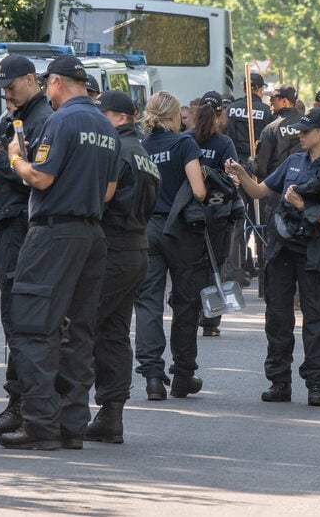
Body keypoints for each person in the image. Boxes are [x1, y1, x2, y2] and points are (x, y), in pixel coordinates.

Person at [0, 55, 117, 451]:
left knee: (34, 328)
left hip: (53, 235)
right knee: (78, 333)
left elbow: (41, 177)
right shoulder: (106, 126)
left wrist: (14, 157)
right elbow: (109, 191)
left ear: (58, 83)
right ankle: (72, 425)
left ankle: (40, 425)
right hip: (92, 235)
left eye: (48, 85)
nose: (47, 92)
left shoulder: (60, 121)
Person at [225, 107, 320, 406]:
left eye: (306, 132)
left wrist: (304, 206)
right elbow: (258, 192)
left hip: (314, 252)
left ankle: (316, 385)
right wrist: (241, 173)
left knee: (315, 319)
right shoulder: (293, 161)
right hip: (281, 249)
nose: (300, 136)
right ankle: (279, 381)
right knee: (278, 316)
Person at [0, 55, 53, 437]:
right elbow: (9, 174)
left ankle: (22, 404)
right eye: (2, 89)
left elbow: (34, 176)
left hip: (24, 225)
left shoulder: (42, 118)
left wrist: (1, 161)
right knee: (14, 318)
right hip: (8, 220)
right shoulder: (15, 118)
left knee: (22, 318)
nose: (6, 94)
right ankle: (20, 402)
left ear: (29, 79)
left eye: (11, 86)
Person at [85, 90, 160, 444]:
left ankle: (66, 411)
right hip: (136, 247)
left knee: (82, 328)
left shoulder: (116, 149)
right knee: (114, 333)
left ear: (120, 117)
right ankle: (111, 414)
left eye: (104, 114)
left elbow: (102, 197)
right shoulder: (143, 153)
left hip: (111, 248)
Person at [134, 91, 208, 401]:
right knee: (185, 302)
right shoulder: (184, 143)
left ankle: (152, 375)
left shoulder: (142, 146)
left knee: (148, 303)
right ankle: (183, 374)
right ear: (174, 115)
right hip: (180, 231)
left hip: (148, 229)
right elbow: (199, 191)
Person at [186, 91, 238, 337]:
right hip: (218, 212)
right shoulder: (224, 144)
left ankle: (191, 312)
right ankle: (211, 321)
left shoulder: (184, 140)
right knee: (216, 264)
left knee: (190, 264)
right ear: (220, 115)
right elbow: (233, 179)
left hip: (189, 213)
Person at [224, 73, 272, 286]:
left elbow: (225, 135)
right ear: (260, 89)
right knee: (260, 221)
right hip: (257, 168)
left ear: (245, 88)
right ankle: (263, 270)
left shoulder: (231, 109)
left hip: (235, 166)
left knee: (237, 220)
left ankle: (236, 269)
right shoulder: (266, 111)